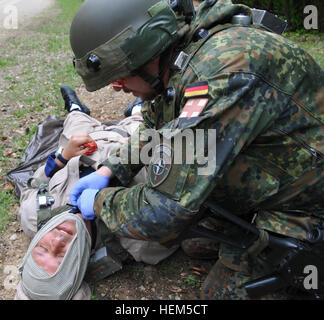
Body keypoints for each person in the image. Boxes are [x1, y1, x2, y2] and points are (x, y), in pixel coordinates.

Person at [67, 0, 324, 300]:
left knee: (219, 294)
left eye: (120, 78)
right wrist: (111, 169)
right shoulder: (181, 53)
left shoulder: (222, 71)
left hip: (306, 199)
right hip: (277, 164)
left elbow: (162, 212)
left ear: (146, 54)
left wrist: (100, 201)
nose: (118, 88)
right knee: (193, 242)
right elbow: (154, 125)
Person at [15, 86, 178, 300]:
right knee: (140, 115)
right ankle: (135, 111)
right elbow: (178, 194)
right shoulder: (140, 242)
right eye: (62, 255)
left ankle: (75, 107)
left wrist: (63, 157)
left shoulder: (33, 216)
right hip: (131, 140)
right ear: (80, 267)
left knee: (75, 118)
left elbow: (34, 184)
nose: (56, 240)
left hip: (81, 140)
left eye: (41, 248)